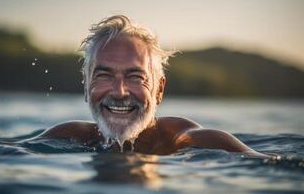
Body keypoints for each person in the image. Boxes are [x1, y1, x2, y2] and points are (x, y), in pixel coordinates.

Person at [32, 15, 266, 156]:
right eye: (104, 76)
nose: (119, 91)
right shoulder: (69, 137)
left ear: (159, 90)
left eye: (135, 76)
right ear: (86, 89)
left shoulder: (197, 142)